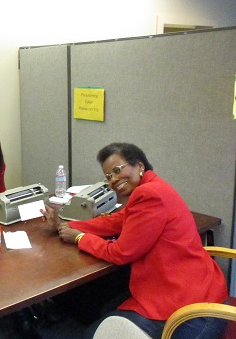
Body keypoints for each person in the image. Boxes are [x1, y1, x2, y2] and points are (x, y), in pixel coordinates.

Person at [41, 142, 228, 339]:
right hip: (198, 290)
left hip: (189, 311)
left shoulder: (148, 194)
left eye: (117, 170)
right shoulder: (153, 187)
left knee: (93, 332)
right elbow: (117, 221)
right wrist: (66, 226)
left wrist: (80, 238)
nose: (113, 180)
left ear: (139, 165)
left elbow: (121, 253)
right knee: (104, 308)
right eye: (108, 177)